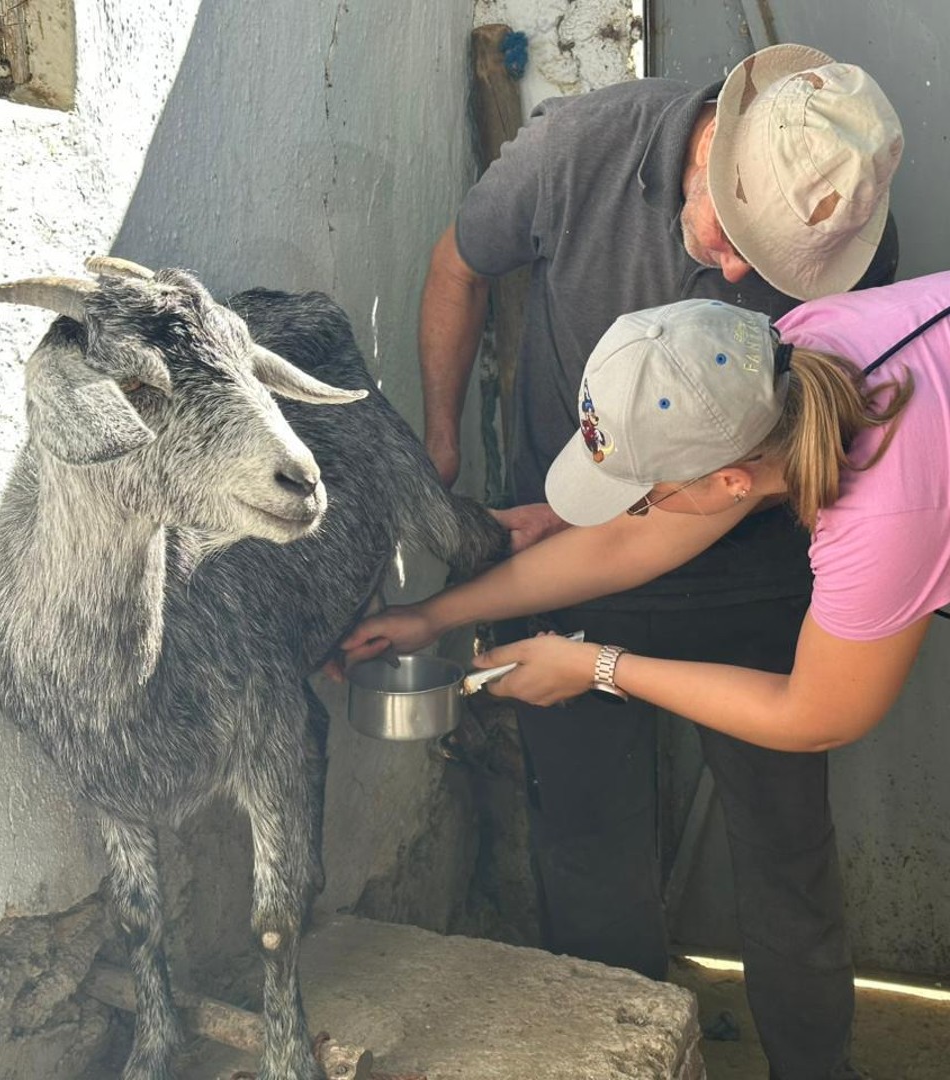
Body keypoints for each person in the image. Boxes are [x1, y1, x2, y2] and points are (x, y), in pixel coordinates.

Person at [401, 41, 903, 1080]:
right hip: (581, 540)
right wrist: (439, 454)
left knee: (787, 861)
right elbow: (458, 265)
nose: (734, 275)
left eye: (767, 272)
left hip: (754, 578)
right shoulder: (578, 149)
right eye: (733, 238)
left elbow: (719, 520)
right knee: (588, 851)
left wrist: (575, 646)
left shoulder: (850, 246)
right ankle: (620, 1060)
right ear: (712, 144)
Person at [343, 272, 950, 1075]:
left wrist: (597, 666)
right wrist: (434, 614)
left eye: (646, 489)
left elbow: (818, 712)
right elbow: (629, 542)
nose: (635, 506)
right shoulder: (793, 360)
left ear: (732, 486)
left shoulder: (884, 505)